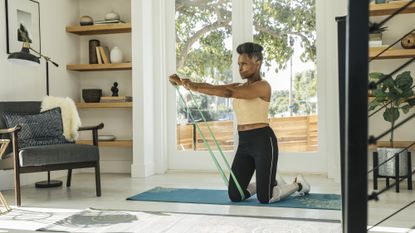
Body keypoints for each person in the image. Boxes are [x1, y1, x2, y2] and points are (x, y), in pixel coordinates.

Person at [169, 42, 310, 204]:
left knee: (266, 198)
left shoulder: (263, 87)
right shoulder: (239, 86)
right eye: (239, 64)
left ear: (258, 63)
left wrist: (193, 86)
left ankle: (298, 184)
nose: (240, 68)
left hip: (263, 141)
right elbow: (214, 87)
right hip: (244, 142)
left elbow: (229, 92)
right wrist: (184, 83)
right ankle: (272, 183)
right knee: (235, 194)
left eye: (244, 64)